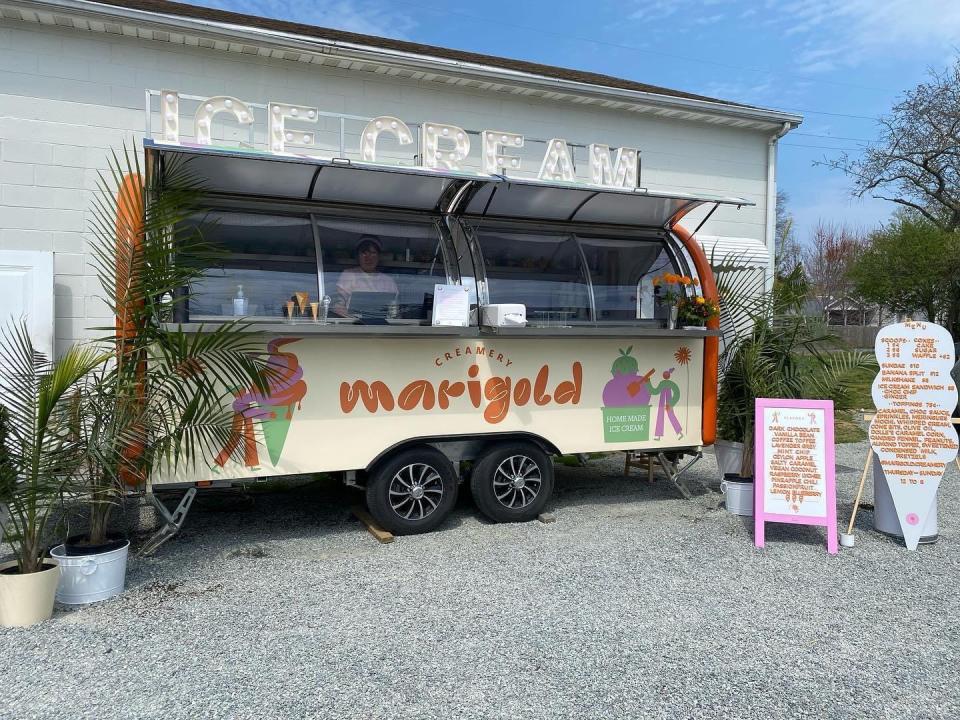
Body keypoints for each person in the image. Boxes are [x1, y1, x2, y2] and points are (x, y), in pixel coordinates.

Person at [331, 235, 398, 317]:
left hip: (382, 327)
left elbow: (395, 310)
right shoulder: (349, 275)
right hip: (354, 326)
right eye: (364, 253)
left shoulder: (388, 281)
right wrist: (355, 319)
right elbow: (337, 305)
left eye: (373, 253)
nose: (368, 258)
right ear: (358, 256)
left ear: (379, 256)